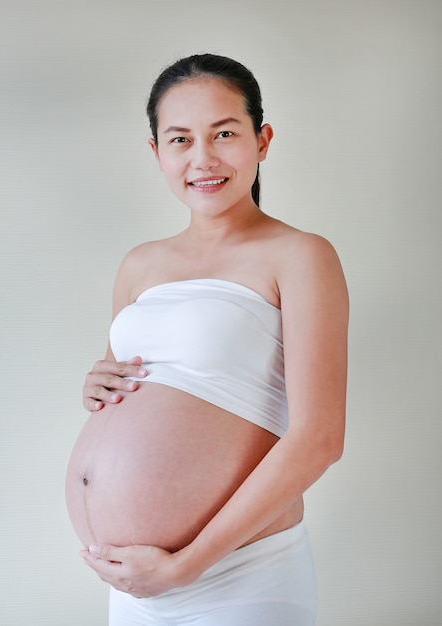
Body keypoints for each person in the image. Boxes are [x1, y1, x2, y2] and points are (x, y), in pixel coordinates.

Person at [65, 53, 348, 626]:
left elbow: (320, 438)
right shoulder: (139, 265)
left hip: (237, 573)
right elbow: (149, 384)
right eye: (180, 139)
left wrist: (187, 564)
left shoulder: (300, 256)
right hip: (133, 583)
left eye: (224, 133)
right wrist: (99, 383)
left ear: (262, 140)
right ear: (156, 153)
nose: (203, 158)